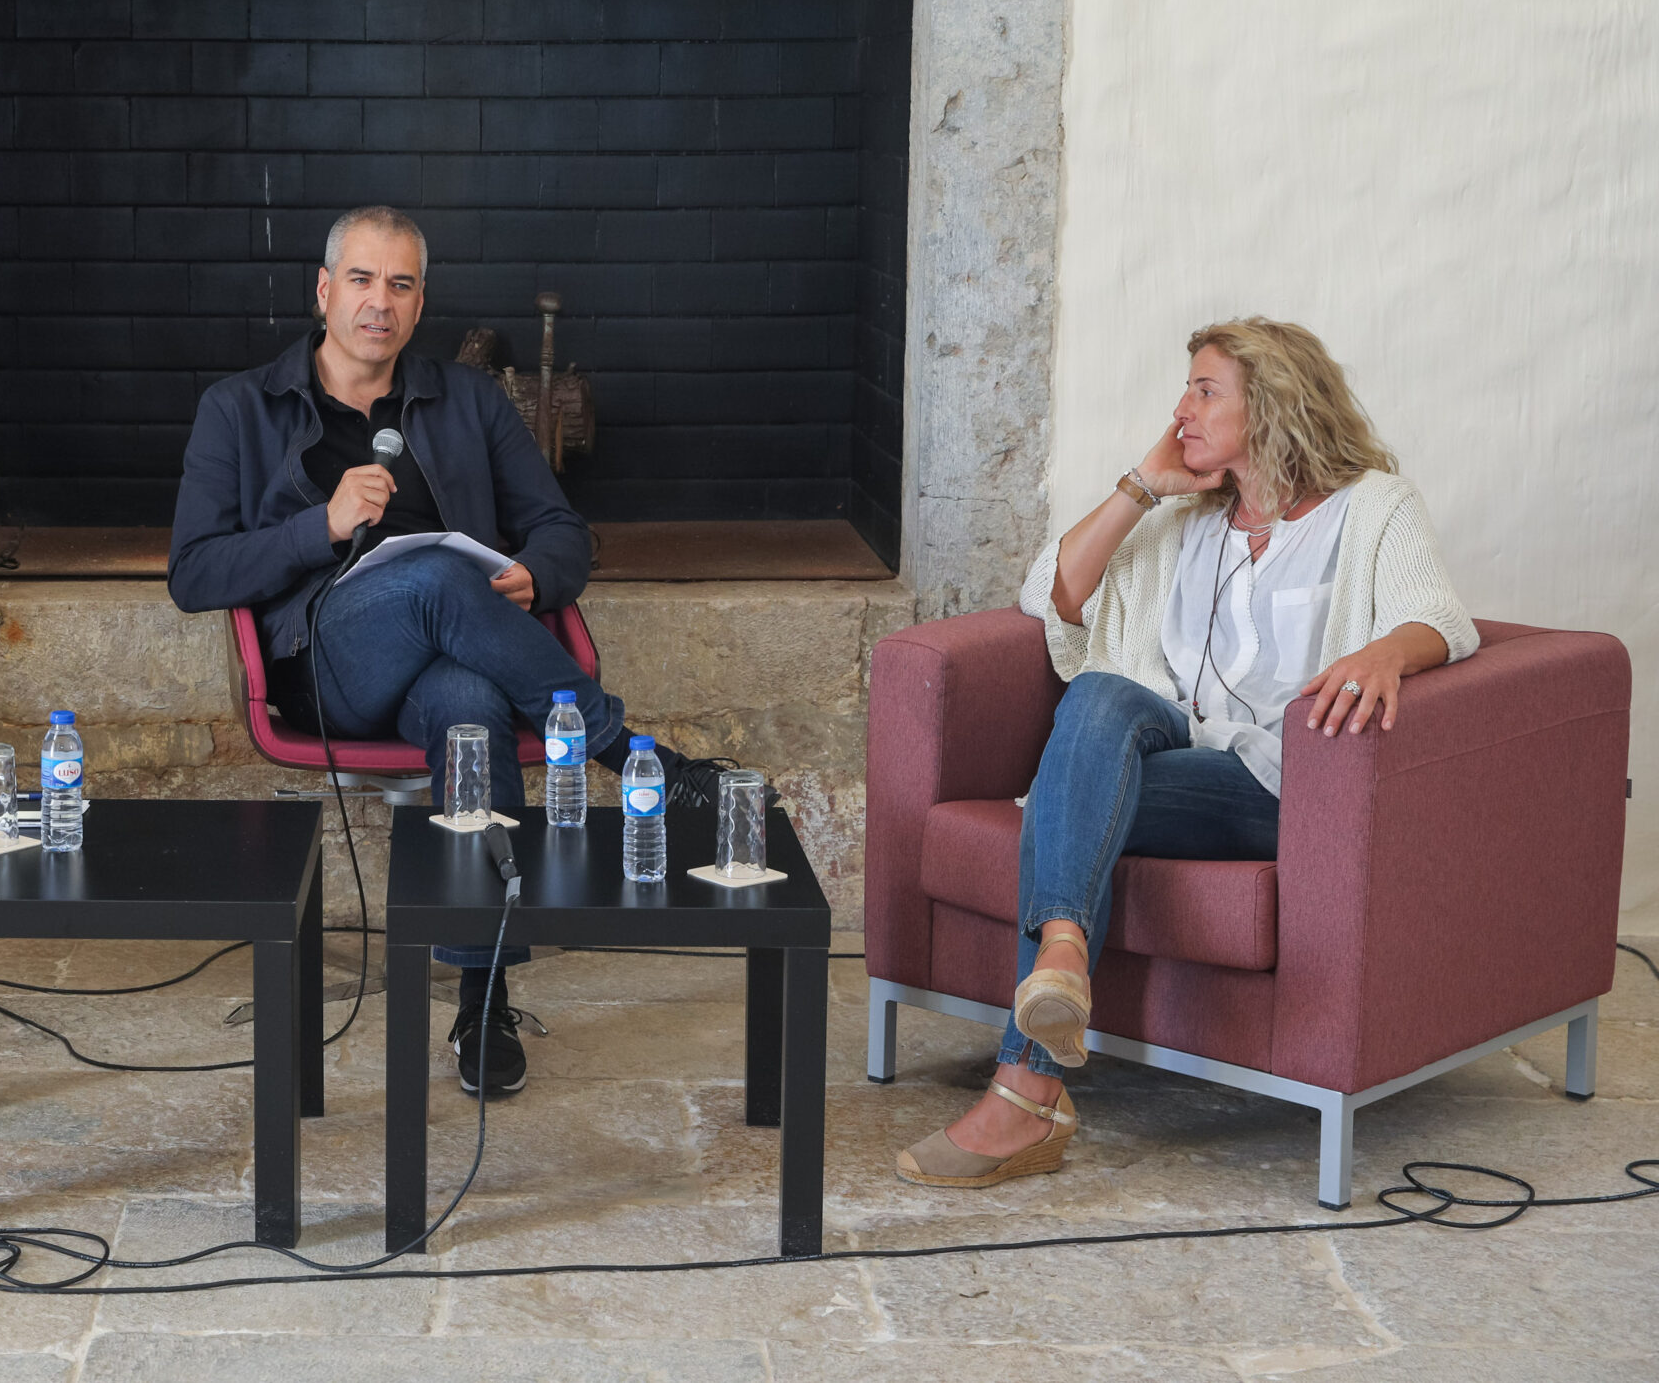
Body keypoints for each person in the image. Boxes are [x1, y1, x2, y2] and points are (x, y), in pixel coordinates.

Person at [168, 205, 766, 1098]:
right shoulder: (241, 408)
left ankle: (482, 1000)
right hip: (327, 662)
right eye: (362, 281)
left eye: (401, 285)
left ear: (419, 302)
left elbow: (563, 530)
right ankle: (635, 757)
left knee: (470, 711)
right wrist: (317, 527)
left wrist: (534, 574)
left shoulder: (470, 401)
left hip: (452, 655)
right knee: (441, 576)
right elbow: (194, 571)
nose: (381, 302)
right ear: (325, 291)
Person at [896, 317, 1477, 1187]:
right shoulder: (1190, 520)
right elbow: (1049, 594)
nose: (1182, 409)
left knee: (1072, 796)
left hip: (1276, 780)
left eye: (1206, 391)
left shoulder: (1370, 509)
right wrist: (1143, 484)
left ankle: (1026, 1093)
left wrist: (1386, 650)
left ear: (1275, 404)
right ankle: (1060, 955)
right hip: (1174, 746)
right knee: (1097, 697)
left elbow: (1441, 619)